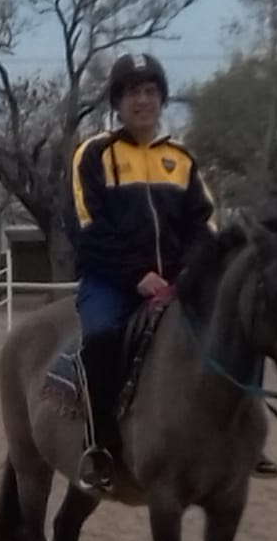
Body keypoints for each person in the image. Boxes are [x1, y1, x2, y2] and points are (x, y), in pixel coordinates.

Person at [67, 52, 219, 494]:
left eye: (151, 91)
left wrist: (186, 273)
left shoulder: (183, 160)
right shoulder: (93, 155)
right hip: (110, 280)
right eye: (132, 92)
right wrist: (136, 275)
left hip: (177, 280)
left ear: (161, 99)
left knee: (236, 323)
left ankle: (240, 434)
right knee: (99, 340)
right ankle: (99, 447)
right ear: (117, 102)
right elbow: (86, 227)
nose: (142, 100)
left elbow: (205, 225)